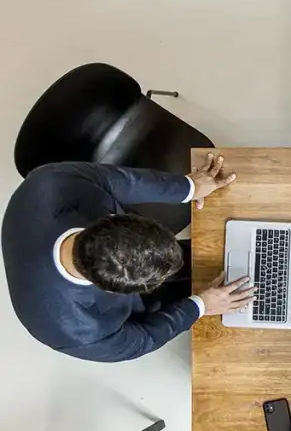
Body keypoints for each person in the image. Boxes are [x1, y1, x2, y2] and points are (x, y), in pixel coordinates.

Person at [2, 155, 254, 363]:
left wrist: (189, 188)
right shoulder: (78, 332)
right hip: (139, 309)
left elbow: (123, 180)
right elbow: (145, 338)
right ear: (114, 291)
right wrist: (200, 306)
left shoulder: (52, 181)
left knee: (203, 258)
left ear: (113, 218)